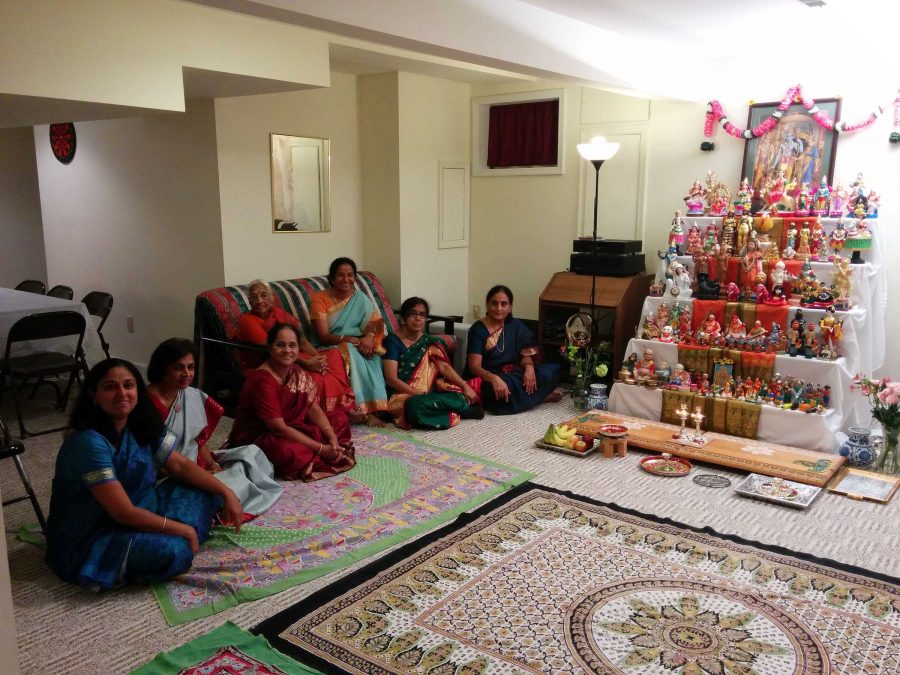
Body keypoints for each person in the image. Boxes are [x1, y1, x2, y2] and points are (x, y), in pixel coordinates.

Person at [45, 359, 242, 590]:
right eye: (110, 387)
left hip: (146, 506)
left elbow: (180, 466)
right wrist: (183, 529)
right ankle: (169, 542)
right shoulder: (89, 442)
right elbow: (123, 513)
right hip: (97, 533)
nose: (122, 394)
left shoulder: (140, 424)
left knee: (208, 490)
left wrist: (226, 492)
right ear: (93, 395)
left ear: (138, 391)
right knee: (171, 552)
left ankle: (172, 534)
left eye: (128, 385)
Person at [147, 339, 282, 520]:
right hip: (170, 475)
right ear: (163, 368)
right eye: (178, 368)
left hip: (194, 464)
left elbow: (198, 441)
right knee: (231, 485)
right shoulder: (147, 406)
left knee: (251, 453)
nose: (186, 374)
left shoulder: (190, 395)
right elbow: (155, 461)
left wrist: (212, 465)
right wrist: (201, 475)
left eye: (191, 367)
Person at [227, 324, 355, 481]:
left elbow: (311, 407)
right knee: (286, 451)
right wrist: (322, 449)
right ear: (270, 347)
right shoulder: (262, 379)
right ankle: (322, 453)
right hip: (263, 436)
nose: (287, 350)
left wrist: (332, 438)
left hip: (293, 426)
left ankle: (330, 449)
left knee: (339, 418)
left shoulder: (296, 371)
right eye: (280, 345)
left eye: (292, 345)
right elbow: (279, 428)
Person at [237, 279, 356, 417]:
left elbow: (302, 340)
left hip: (293, 354)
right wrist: (308, 363)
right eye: (254, 296)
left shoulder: (279, 313)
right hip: (270, 361)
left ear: (271, 297)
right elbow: (272, 350)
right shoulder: (247, 320)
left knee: (333, 356)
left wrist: (317, 358)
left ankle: (342, 405)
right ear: (249, 300)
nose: (259, 300)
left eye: (263, 295)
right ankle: (331, 412)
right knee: (314, 375)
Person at [310, 258, 389, 427]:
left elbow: (373, 323)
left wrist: (368, 338)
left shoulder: (359, 298)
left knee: (373, 354)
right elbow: (323, 335)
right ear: (332, 278)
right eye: (340, 275)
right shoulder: (320, 299)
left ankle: (376, 408)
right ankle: (363, 411)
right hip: (331, 344)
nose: (346, 280)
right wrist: (351, 340)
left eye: (350, 275)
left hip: (360, 343)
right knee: (350, 350)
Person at [383, 297, 481, 430]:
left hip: (430, 393)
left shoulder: (428, 341)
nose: (418, 318)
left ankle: (444, 408)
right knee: (414, 407)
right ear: (404, 317)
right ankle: (460, 410)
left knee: (457, 392)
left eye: (422, 315)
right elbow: (391, 379)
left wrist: (465, 386)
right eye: (413, 314)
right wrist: (418, 394)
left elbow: (444, 367)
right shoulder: (392, 341)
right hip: (403, 395)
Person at [465, 285, 560, 415]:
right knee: (495, 393)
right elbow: (474, 367)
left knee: (549, 371)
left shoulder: (515, 325)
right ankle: (540, 398)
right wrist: (493, 378)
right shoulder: (478, 329)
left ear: (510, 307)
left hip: (511, 373)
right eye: (494, 303)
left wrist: (529, 368)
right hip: (487, 377)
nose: (499, 308)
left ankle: (531, 398)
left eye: (503, 304)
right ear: (487, 305)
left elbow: (524, 354)